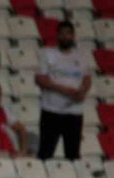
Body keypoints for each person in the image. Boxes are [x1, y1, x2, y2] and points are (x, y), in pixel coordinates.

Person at [35, 21, 91, 161]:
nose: (65, 37)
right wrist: (65, 91)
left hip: (74, 112)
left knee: (73, 154)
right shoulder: (48, 54)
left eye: (68, 33)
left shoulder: (81, 56)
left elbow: (87, 78)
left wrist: (82, 92)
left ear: (73, 35)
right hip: (51, 110)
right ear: (57, 35)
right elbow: (40, 80)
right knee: (45, 153)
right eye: (62, 34)